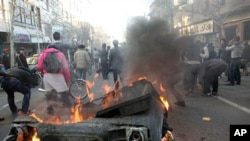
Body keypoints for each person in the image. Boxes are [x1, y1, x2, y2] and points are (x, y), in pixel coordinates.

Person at [37, 44, 72, 115]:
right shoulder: (60, 54)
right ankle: (71, 109)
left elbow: (39, 66)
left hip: (47, 76)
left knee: (49, 93)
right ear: (56, 48)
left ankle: (49, 110)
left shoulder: (43, 54)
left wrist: (44, 72)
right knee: (63, 93)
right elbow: (65, 68)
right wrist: (67, 78)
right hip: (58, 75)